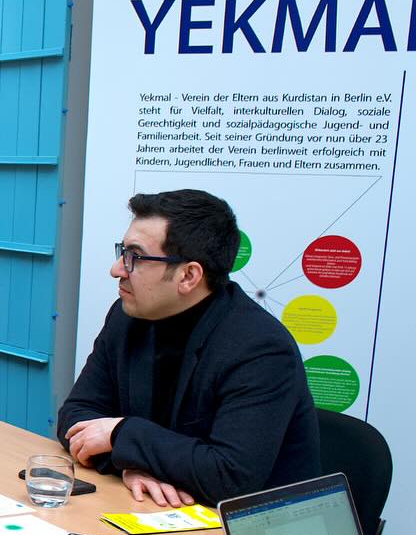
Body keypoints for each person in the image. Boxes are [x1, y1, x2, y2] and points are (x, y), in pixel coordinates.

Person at [58, 189, 320, 508]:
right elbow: (75, 417)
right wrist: (128, 463)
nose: (116, 269)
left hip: (251, 533)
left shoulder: (260, 348)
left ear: (188, 276)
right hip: (156, 511)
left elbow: (230, 476)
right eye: (121, 252)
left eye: (134, 257)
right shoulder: (127, 316)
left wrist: (120, 434)